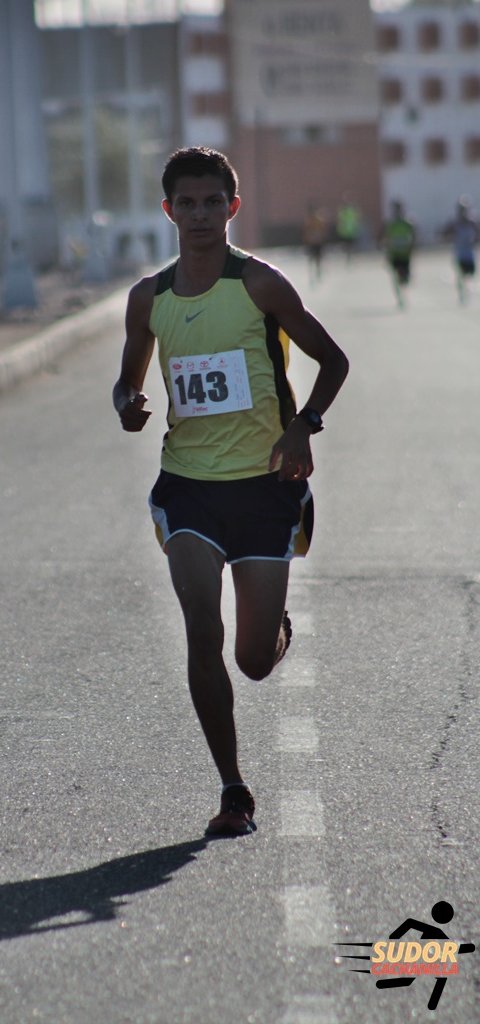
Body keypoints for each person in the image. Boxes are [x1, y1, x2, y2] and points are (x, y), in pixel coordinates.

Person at [112, 147, 349, 838]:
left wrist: (303, 426)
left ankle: (274, 632)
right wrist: (127, 402)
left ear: (230, 208)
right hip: (188, 487)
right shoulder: (147, 300)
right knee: (199, 627)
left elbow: (331, 360)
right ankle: (232, 790)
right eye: (184, 203)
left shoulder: (260, 285)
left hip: (265, 488)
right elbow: (129, 382)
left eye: (210, 202)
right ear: (168, 212)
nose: (197, 215)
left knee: (250, 660)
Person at [380, 200, 416, 308]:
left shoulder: (407, 223)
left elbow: (414, 235)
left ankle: (403, 288)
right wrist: (386, 252)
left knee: (404, 279)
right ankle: (400, 299)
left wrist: (411, 247)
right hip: (394, 254)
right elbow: (385, 238)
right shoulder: (390, 224)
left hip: (405, 254)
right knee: (395, 277)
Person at [443, 197, 478, 305]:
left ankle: (466, 291)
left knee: (470, 274)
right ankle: (462, 295)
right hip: (459, 253)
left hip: (470, 253)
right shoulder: (455, 222)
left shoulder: (472, 222)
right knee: (460, 275)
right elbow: (445, 233)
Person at [302, 202, 329, 284]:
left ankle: (317, 271)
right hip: (311, 243)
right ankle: (312, 273)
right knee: (311, 259)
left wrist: (321, 238)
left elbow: (322, 231)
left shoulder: (318, 220)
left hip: (317, 243)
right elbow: (305, 232)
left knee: (317, 259)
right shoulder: (309, 221)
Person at [336, 196, 362, 264]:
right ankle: (349, 257)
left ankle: (350, 257)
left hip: (350, 231)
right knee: (349, 245)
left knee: (349, 245)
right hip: (348, 231)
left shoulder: (349, 211)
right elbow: (340, 221)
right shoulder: (345, 211)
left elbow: (356, 219)